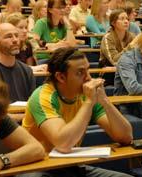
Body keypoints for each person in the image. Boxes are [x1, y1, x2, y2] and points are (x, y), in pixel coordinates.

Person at [22, 47, 133, 177]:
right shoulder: (42, 96)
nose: (88, 78)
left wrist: (105, 101)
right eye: (80, 73)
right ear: (61, 77)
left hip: (70, 165)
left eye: (88, 70)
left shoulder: (86, 96)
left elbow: (126, 137)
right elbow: (63, 144)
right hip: (38, 167)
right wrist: (88, 103)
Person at [0, 23, 36, 103]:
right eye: (9, 36)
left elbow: (32, 104)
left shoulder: (27, 71)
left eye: (16, 36)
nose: (15, 40)